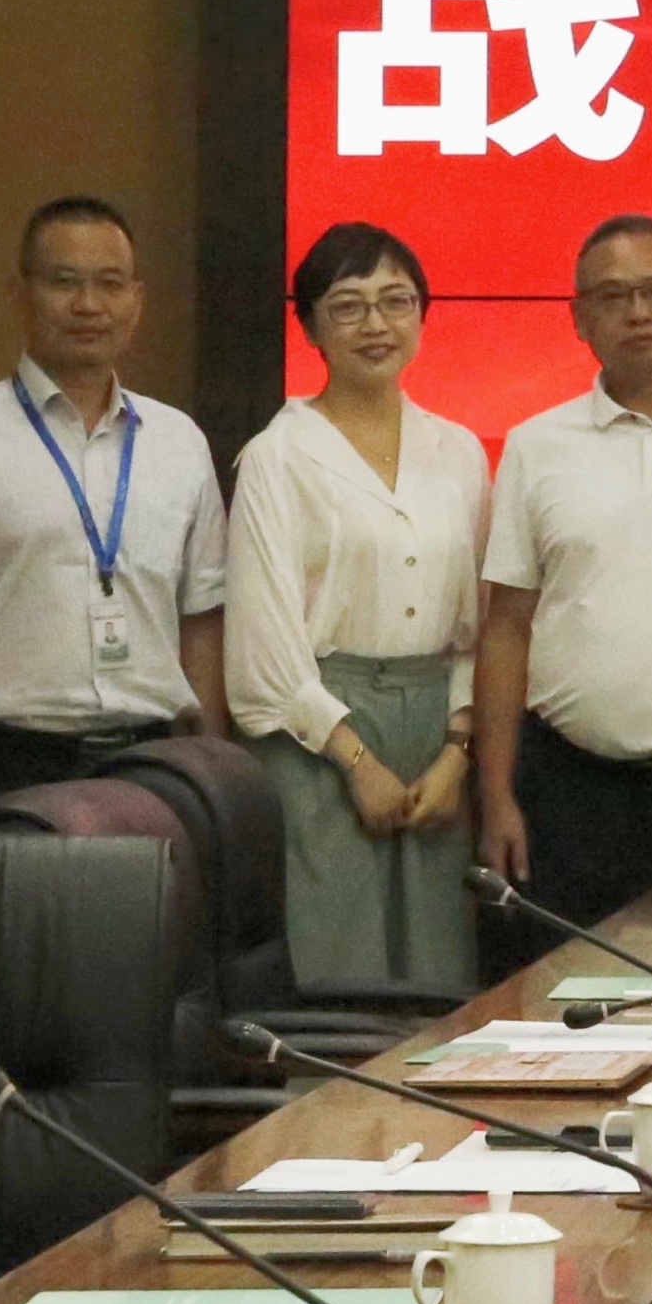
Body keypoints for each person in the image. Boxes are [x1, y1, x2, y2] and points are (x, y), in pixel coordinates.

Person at [0, 196, 230, 829]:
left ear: (136, 299)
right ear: (21, 293)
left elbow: (202, 618)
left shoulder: (180, 443)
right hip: (1, 763)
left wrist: (211, 771)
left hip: (151, 766)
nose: (88, 305)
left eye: (109, 284)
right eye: (64, 282)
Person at [468, 214, 652, 928]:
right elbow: (506, 628)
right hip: (571, 788)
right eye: (612, 296)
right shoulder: (537, 445)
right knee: (565, 983)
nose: (639, 312)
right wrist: (496, 794)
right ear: (579, 318)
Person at [227, 223, 489, 996]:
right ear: (309, 325)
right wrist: (358, 762)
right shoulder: (277, 455)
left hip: (437, 734)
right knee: (334, 972)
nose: (376, 324)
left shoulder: (459, 450)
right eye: (348, 305)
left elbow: (483, 623)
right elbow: (264, 649)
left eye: (395, 301)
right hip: (317, 737)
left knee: (440, 978)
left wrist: (458, 752)